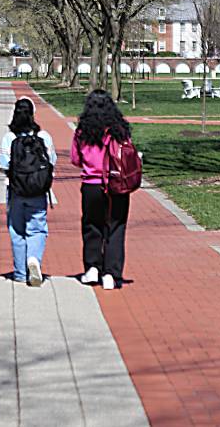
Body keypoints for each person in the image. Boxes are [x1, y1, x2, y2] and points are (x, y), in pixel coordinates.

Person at [70, 90, 132, 290]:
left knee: (91, 226)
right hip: (116, 184)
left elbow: (75, 160)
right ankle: (111, 273)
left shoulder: (82, 131)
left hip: (91, 185)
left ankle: (92, 267)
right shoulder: (119, 130)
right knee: (115, 227)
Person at [0, 97, 56, 286]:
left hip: (15, 189)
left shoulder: (10, 138)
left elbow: (2, 164)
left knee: (16, 230)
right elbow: (51, 161)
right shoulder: (44, 137)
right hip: (38, 191)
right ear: (33, 114)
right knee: (37, 228)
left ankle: (21, 273)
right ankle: (34, 259)